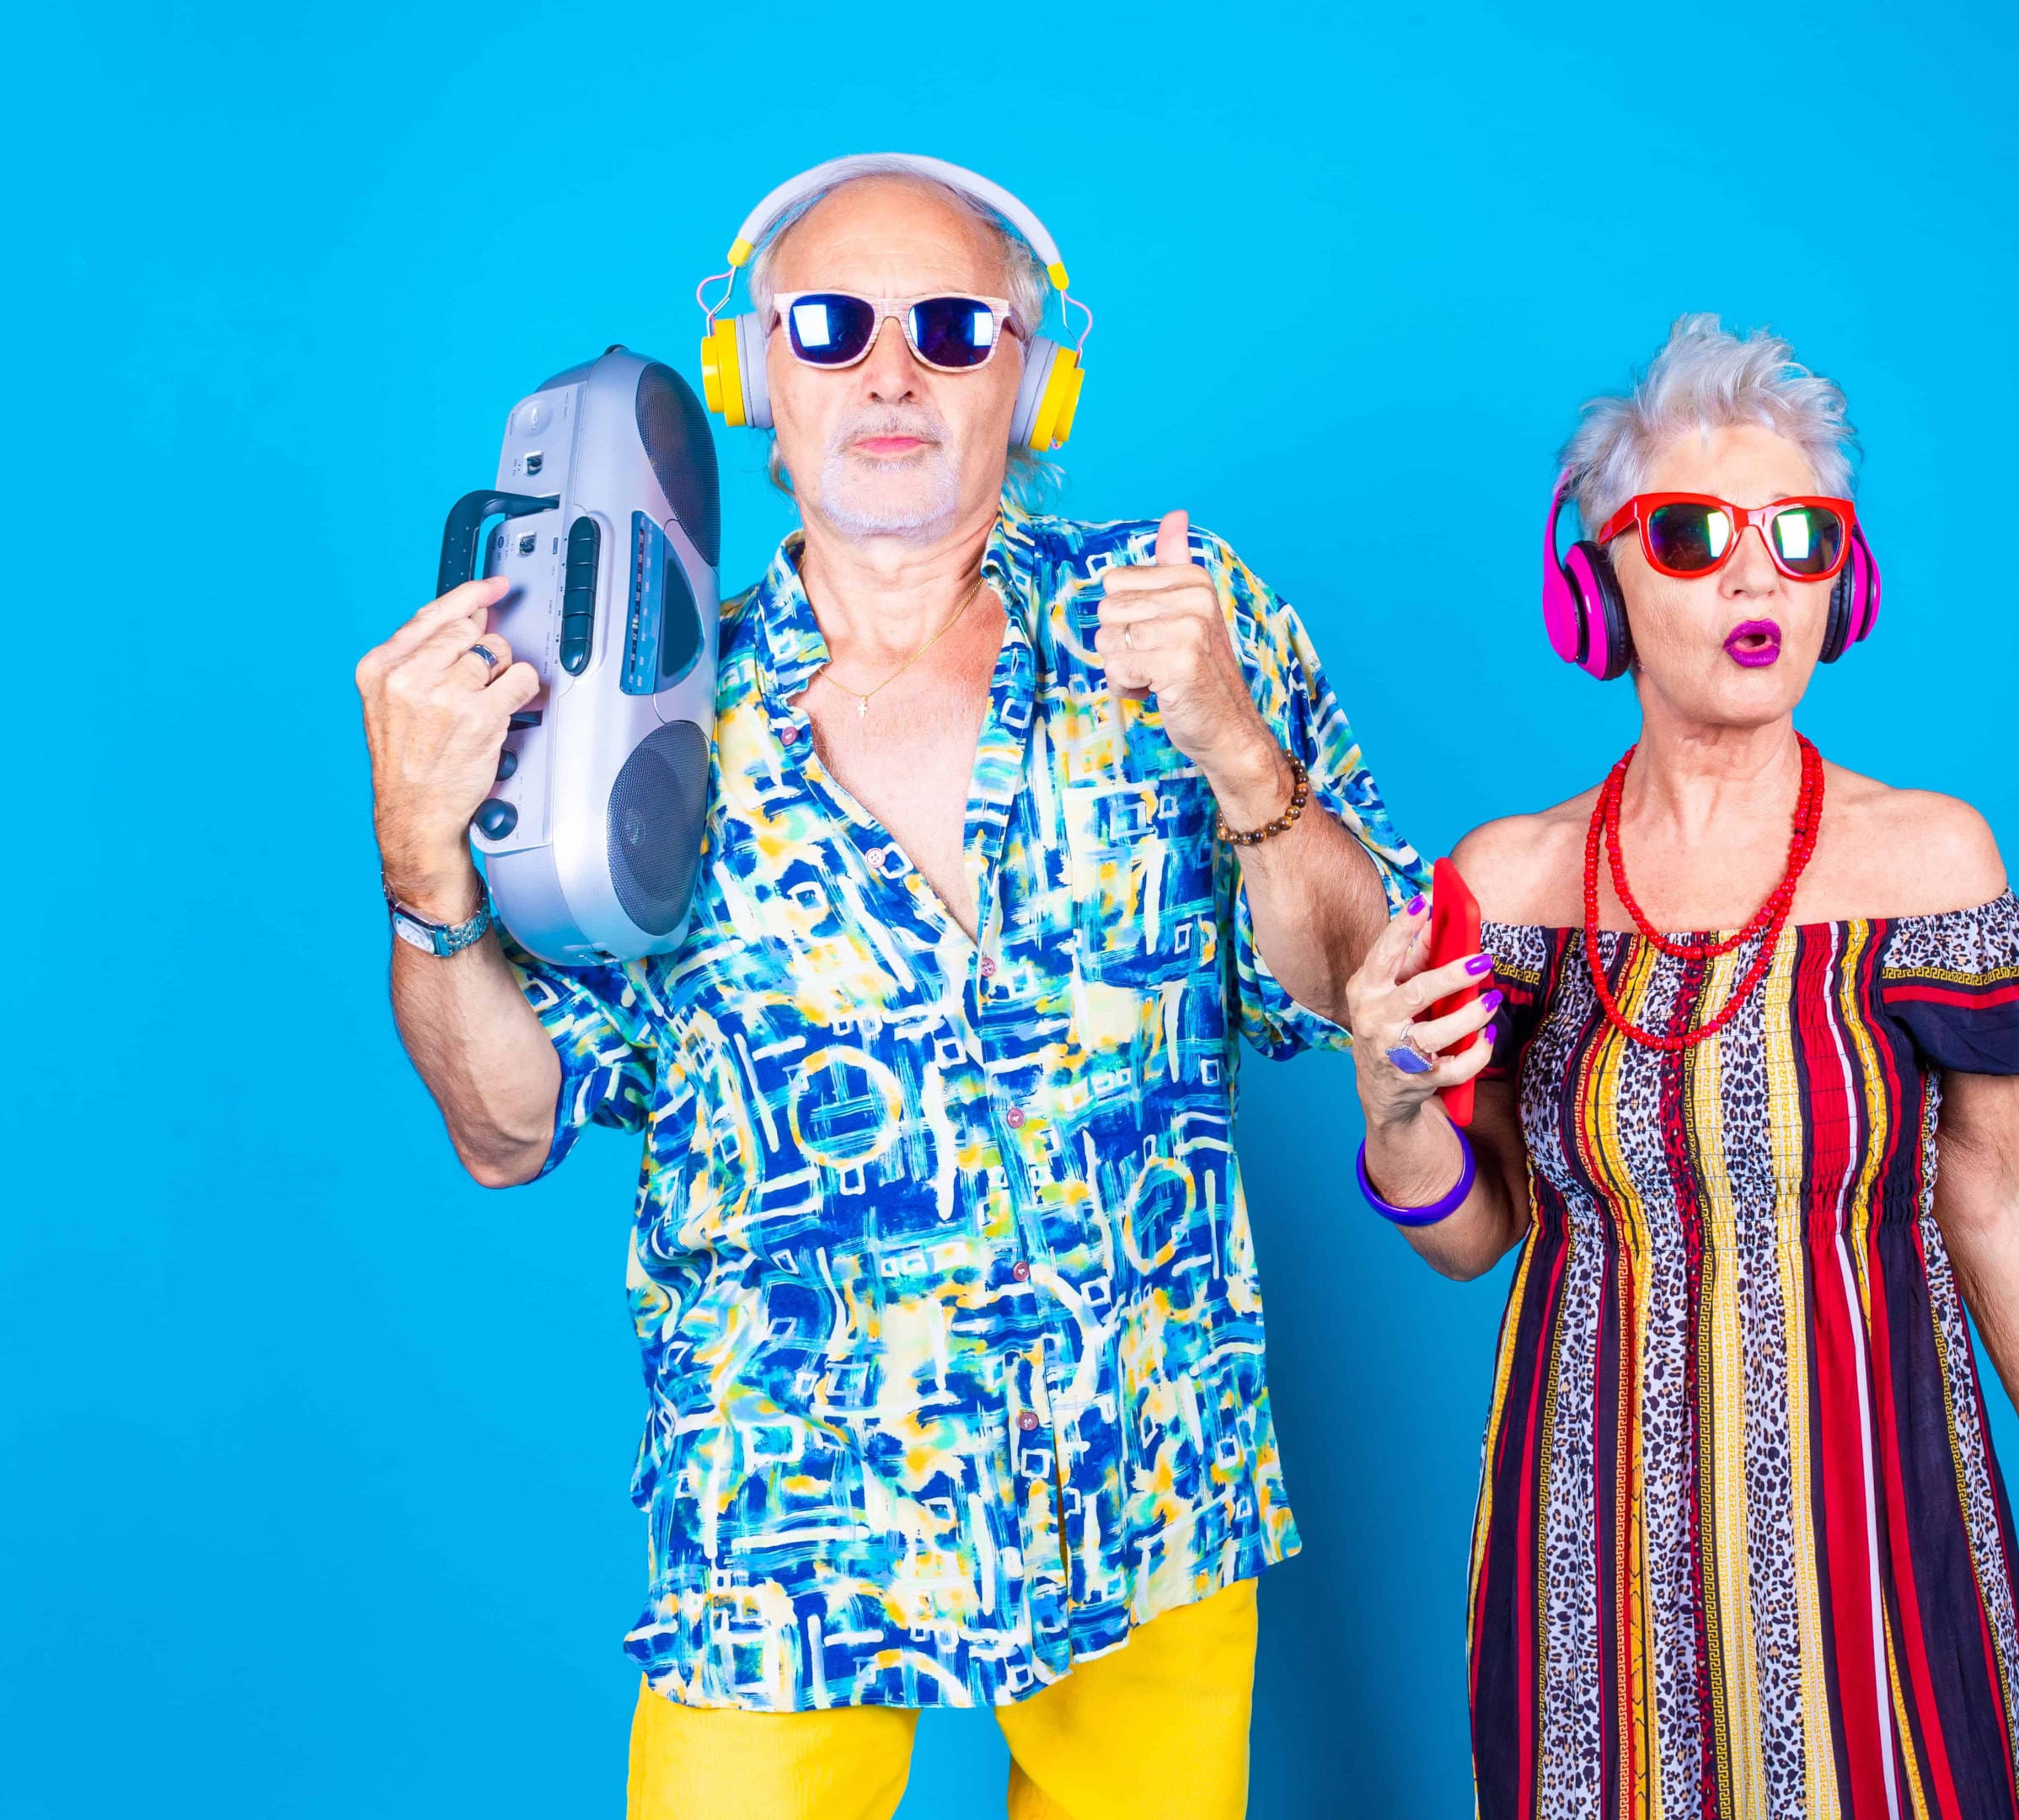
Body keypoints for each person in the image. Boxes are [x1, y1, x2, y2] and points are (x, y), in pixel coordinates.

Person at [354, 156, 1412, 1820]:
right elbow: (505, 1127)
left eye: (952, 326)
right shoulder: (641, 723)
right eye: (834, 326)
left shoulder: (1190, 625)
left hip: (1143, 1477)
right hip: (782, 1513)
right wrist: (426, 868)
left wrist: (1231, 741)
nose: (893, 371)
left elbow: (1360, 989)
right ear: (749, 379)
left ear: (1035, 376)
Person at [1341, 316, 2019, 1818]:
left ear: (1850, 582)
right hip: (1590, 1559)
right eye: (1694, 534)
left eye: (1803, 535)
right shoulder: (1506, 886)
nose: (1758, 574)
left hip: (1883, 1533)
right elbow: (1470, 1234)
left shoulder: (1930, 859)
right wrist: (1388, 1105)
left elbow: (2005, 1202)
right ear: (1600, 583)